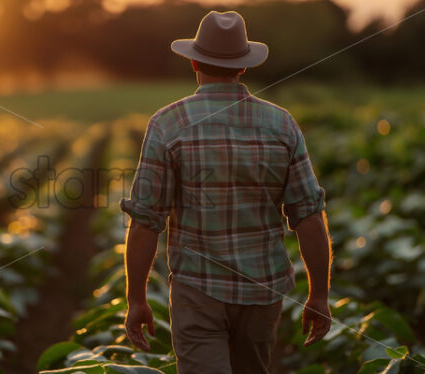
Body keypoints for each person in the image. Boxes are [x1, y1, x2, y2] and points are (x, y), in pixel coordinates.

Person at [120, 11, 332, 374]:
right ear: (244, 67)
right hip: (263, 292)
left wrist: (136, 299)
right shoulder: (281, 124)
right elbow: (309, 215)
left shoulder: (168, 123)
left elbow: (145, 222)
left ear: (193, 61)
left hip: (196, 290)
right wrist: (320, 296)